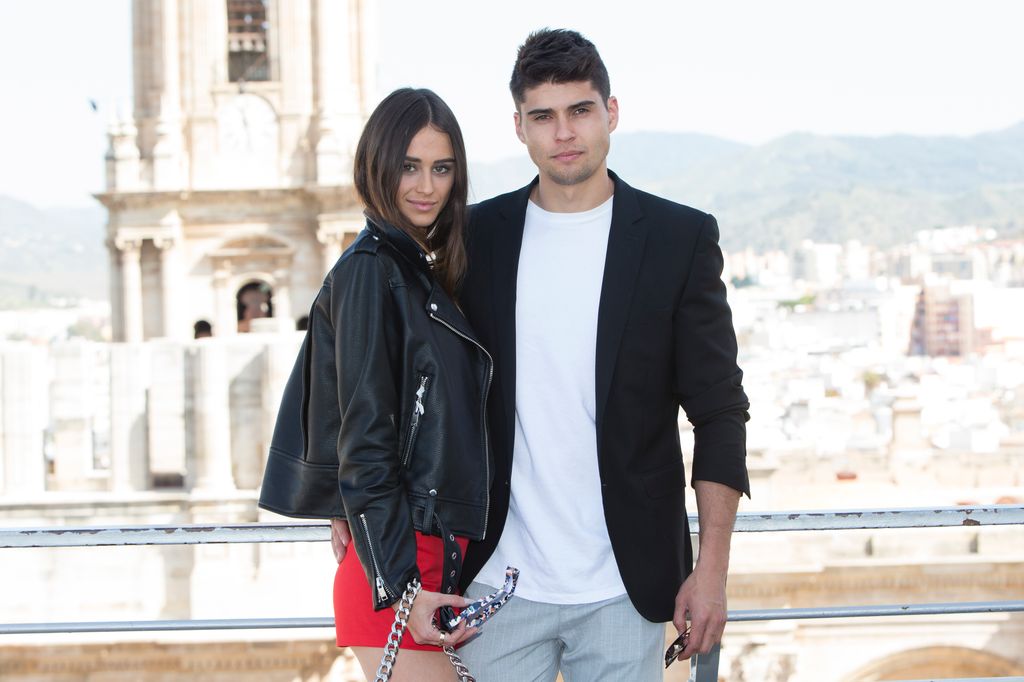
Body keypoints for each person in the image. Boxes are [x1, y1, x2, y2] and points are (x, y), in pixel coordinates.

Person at [453, 29, 752, 680]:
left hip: (627, 591)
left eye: (580, 110)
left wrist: (711, 572)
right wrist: (347, 494)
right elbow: (402, 376)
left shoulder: (679, 239)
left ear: (611, 113)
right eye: (544, 116)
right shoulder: (475, 240)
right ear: (519, 128)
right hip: (496, 588)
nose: (564, 133)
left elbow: (720, 412)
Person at [258, 88, 492, 681]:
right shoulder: (372, 272)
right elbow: (363, 440)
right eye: (408, 166)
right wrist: (405, 590)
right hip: (403, 572)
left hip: (427, 560)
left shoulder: (414, 272)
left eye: (442, 168)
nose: (426, 186)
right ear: (377, 166)